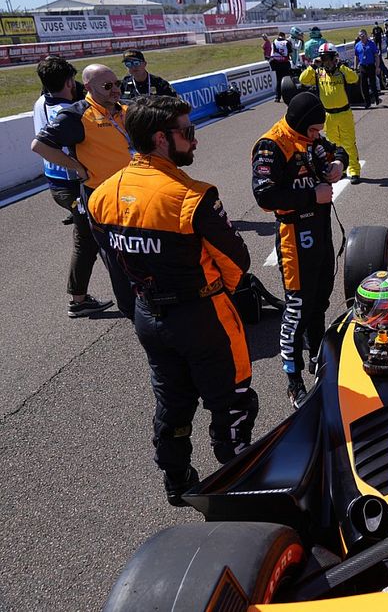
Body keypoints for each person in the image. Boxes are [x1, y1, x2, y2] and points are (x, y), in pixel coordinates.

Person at [88, 95, 256, 506]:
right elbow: (238, 262)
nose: (195, 141)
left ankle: (177, 482)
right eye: (189, 132)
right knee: (233, 402)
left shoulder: (101, 195)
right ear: (161, 139)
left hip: (149, 315)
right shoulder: (192, 196)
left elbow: (110, 258)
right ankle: (235, 487)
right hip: (203, 314)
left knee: (172, 404)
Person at [252, 92, 347, 404]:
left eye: (319, 131)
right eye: (314, 130)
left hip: (321, 230)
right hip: (294, 235)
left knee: (320, 300)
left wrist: (337, 165)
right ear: (301, 124)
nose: (318, 135)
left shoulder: (313, 138)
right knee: (298, 308)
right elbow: (265, 196)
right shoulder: (271, 145)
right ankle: (293, 382)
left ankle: (319, 360)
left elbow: (338, 150)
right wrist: (311, 197)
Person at [31, 64, 133, 318]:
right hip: (94, 194)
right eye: (107, 86)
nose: (115, 90)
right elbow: (39, 145)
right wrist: (77, 167)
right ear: (85, 87)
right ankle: (124, 308)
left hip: (131, 191)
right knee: (101, 247)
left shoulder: (123, 109)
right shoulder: (76, 114)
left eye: (117, 83)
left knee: (138, 245)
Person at [299, 44, 363, 183]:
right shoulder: (318, 72)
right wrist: (313, 66)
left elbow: (354, 78)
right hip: (328, 115)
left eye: (329, 58)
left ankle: (354, 170)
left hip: (344, 113)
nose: (327, 62)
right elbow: (302, 79)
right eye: (324, 59)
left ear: (335, 58)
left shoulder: (342, 71)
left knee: (349, 143)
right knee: (334, 144)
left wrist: (341, 66)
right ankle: (342, 168)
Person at [354, 29, 381, 108]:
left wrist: (377, 67)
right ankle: (367, 102)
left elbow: (376, 56)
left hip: (371, 66)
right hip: (363, 66)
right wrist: (355, 67)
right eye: (360, 36)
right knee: (364, 85)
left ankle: (376, 98)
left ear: (366, 35)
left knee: (373, 84)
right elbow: (356, 56)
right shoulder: (357, 45)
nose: (361, 37)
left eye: (363, 35)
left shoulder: (371, 44)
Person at [269, 32, 293, 103]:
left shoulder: (274, 41)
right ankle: (288, 96)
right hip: (285, 63)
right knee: (287, 80)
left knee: (278, 80)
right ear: (284, 36)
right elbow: (290, 53)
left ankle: (277, 97)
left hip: (276, 63)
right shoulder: (287, 42)